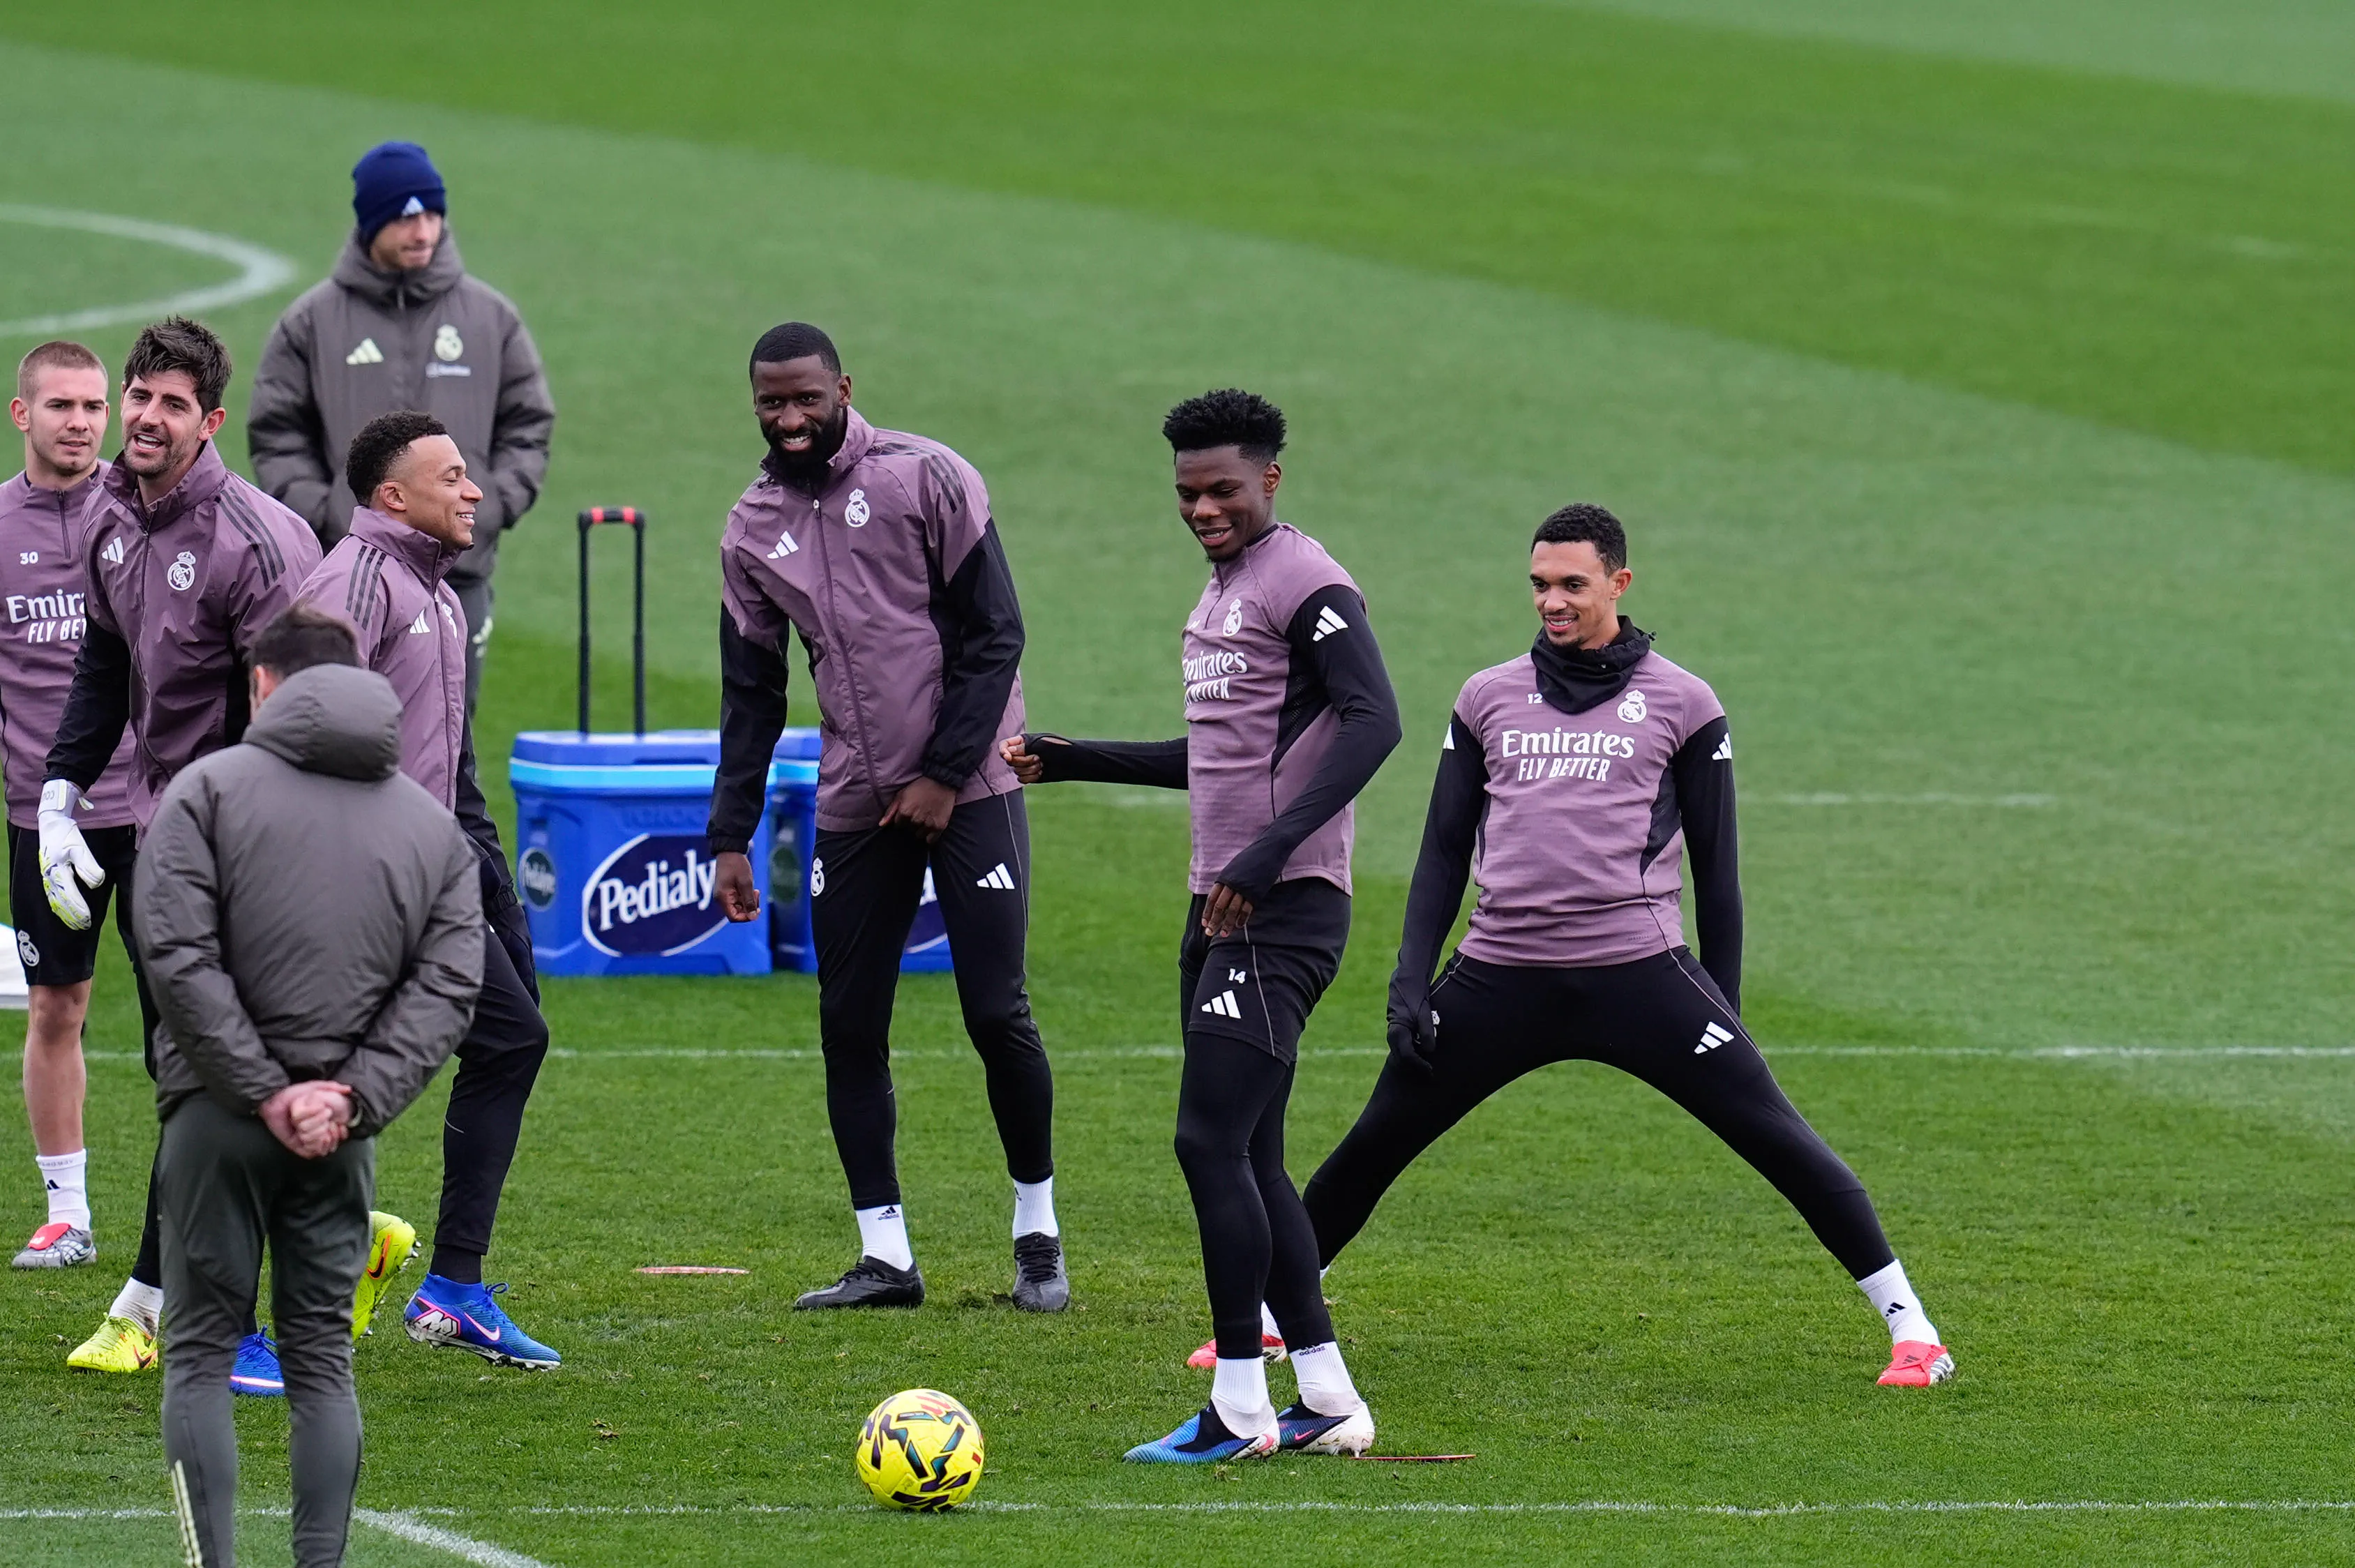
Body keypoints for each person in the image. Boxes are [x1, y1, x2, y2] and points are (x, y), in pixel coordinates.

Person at [1296, 503, 1955, 1388]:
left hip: (1639, 974)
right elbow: (1443, 850)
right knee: (1376, 1140)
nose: (1552, 602)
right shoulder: (1486, 696)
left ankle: (1913, 1332)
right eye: (1539, 585)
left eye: (1572, 584)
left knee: (1778, 1139)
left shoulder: (1684, 701)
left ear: (1618, 581)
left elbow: (1719, 875)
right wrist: (1410, 979)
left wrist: (1725, 1004)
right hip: (1499, 973)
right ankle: (1277, 1314)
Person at [1002, 388, 1401, 1462]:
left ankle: (1239, 1408)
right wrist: (1082, 760)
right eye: (1187, 491)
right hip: (1221, 907)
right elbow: (1226, 761)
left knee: (1206, 1143)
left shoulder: (1307, 582)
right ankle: (1326, 1399)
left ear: (1272, 479)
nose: (1203, 508)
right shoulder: (1224, 592)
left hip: (1282, 910)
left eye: (1223, 488)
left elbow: (1378, 719)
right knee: (1257, 1158)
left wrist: (1269, 856)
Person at [42, 318, 410, 1394]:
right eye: (136, 396)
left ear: (209, 422)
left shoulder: (260, 542)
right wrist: (63, 794)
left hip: (254, 849)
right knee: (192, 1078)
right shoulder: (109, 513)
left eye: (170, 404)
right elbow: (105, 662)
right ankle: (340, 1248)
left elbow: (304, 709)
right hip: (168, 839)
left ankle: (182, 1309)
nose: (145, 419)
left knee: (220, 1081)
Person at [707, 322, 1064, 1313]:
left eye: (805, 399)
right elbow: (751, 692)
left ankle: (1037, 1235)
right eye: (771, 403)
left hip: (972, 789)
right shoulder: (751, 527)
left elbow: (997, 636)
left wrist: (946, 775)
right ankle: (886, 1257)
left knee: (997, 1012)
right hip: (858, 803)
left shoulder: (928, 478)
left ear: (843, 389)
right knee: (848, 1024)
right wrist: (730, 834)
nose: (788, 419)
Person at [142, 605, 483, 1568]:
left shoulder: (205, 792)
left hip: (216, 1116)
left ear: (262, 683)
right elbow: (450, 982)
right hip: (343, 1134)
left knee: (203, 1350)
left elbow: (174, 954)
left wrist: (260, 1089)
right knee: (322, 1360)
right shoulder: (427, 822)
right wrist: (346, 1096)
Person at [297, 409, 558, 1369]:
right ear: (391, 496)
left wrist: (494, 887)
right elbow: (301, 738)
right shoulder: (353, 583)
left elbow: (452, 766)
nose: (475, 490)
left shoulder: (438, 595)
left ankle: (449, 1288)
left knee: (510, 1038)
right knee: (309, 1092)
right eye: (452, 476)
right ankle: (241, 1310)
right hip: (361, 885)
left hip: (433, 876)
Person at [248, 140, 556, 714]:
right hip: (350, 575)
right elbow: (276, 433)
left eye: (432, 214)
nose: (422, 229)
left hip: (456, 572)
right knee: (340, 729)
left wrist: (487, 508)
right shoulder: (311, 322)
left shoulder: (490, 319)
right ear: (372, 224)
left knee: (448, 740)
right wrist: (331, 514)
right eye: (405, 216)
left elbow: (529, 426)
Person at [3, 342, 137, 1270]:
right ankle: (68, 1213)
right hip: (39, 819)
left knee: (197, 1006)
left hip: (157, 806)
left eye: (95, 405)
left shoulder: (143, 517)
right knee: (58, 1004)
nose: (82, 421)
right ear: (23, 415)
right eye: (62, 405)